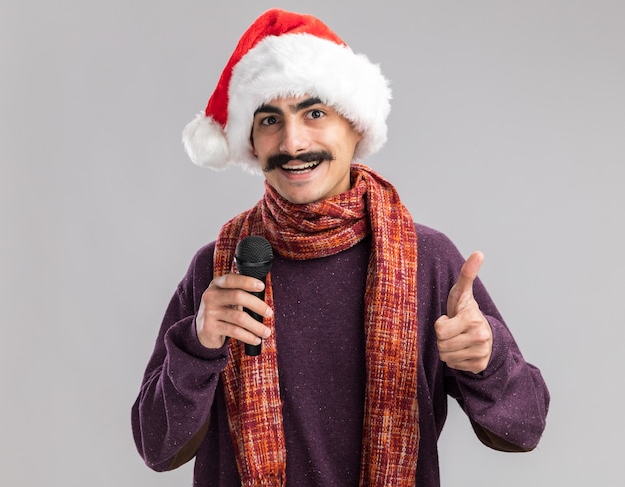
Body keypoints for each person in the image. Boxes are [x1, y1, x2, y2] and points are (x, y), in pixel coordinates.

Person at [131, 8, 549, 487]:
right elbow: (158, 449)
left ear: (355, 125)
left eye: (314, 113)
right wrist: (198, 347)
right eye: (270, 119)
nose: (292, 142)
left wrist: (488, 361)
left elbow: (526, 429)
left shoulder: (427, 259)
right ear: (251, 141)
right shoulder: (217, 270)